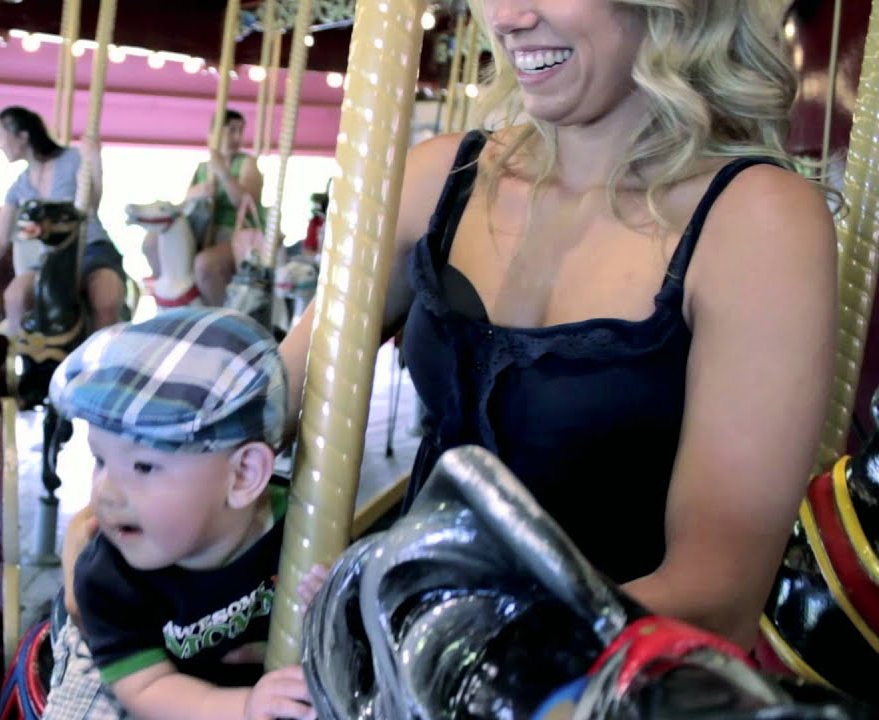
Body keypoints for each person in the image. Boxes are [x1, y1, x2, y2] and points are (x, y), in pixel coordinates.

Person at [279, 0, 836, 651]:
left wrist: (448, 634)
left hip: (584, 681)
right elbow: (290, 383)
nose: (507, 16)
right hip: (399, 645)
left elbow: (717, 593)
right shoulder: (441, 176)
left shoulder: (757, 220)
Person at [46, 307, 318, 720]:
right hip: (129, 666)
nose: (104, 492)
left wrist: (331, 598)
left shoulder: (302, 527)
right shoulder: (108, 578)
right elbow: (148, 686)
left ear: (244, 474)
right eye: (99, 460)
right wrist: (242, 708)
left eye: (143, 467)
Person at [0, 106, 127, 333]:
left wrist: (95, 164)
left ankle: (103, 358)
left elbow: (91, 207)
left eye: (0, 137)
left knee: (105, 297)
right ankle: (23, 358)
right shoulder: (19, 187)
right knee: (15, 295)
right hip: (51, 258)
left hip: (89, 247)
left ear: (23, 135)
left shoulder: (74, 158)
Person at [143, 109, 264, 306]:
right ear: (214, 134)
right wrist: (194, 194)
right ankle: (168, 295)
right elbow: (185, 206)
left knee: (205, 265)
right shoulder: (202, 168)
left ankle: (216, 316)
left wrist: (223, 174)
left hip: (234, 232)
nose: (237, 137)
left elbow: (247, 203)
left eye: (240, 131)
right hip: (203, 228)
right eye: (231, 130)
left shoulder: (246, 163)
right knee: (151, 243)